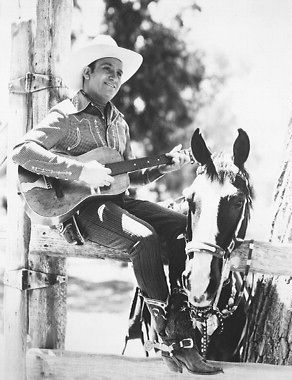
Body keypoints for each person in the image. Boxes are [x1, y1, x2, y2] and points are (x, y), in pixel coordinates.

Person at [12, 35, 221, 375]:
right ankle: (167, 333)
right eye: (107, 69)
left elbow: (125, 177)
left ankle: (181, 328)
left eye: (119, 73)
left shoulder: (120, 124)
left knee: (185, 228)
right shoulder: (65, 115)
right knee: (145, 238)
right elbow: (21, 152)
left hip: (117, 202)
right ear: (87, 73)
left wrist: (161, 168)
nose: (114, 77)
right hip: (80, 211)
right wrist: (80, 169)